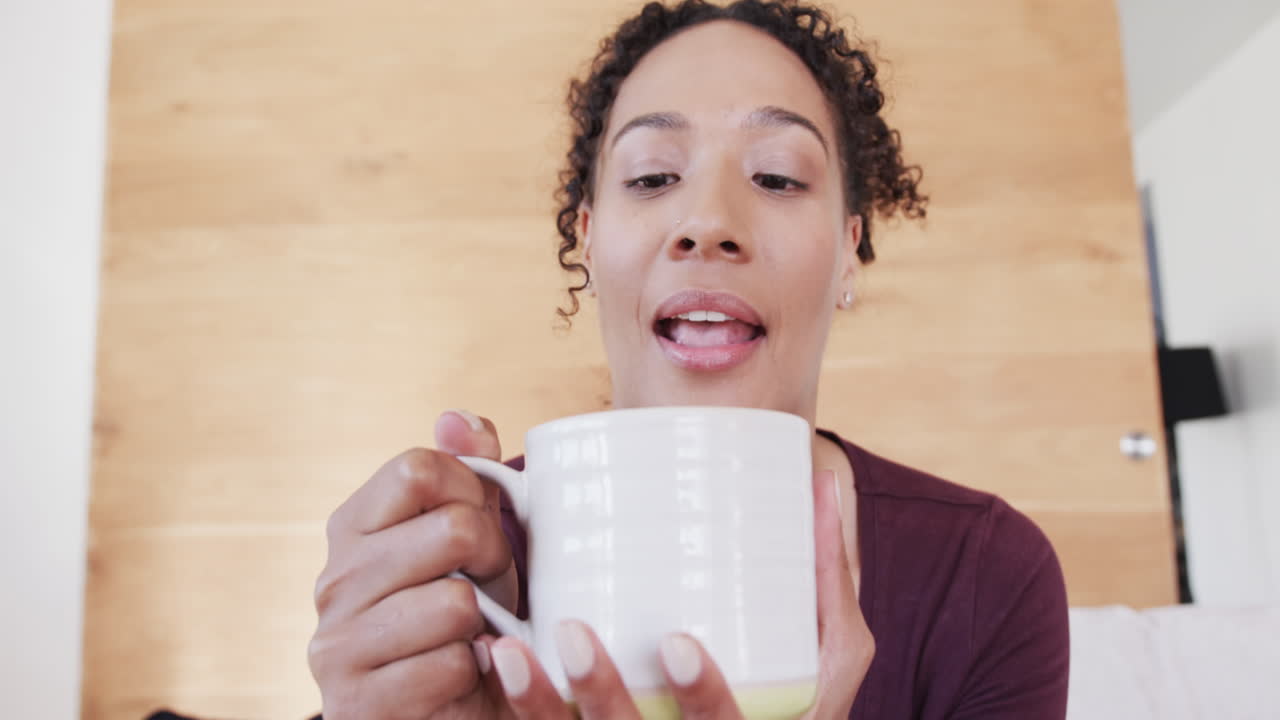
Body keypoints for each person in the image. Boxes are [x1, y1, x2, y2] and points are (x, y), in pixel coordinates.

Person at [306, 1, 1070, 718]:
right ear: (588, 244)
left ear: (848, 253)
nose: (707, 222)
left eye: (776, 176)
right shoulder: (460, 569)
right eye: (651, 178)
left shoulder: (987, 576)